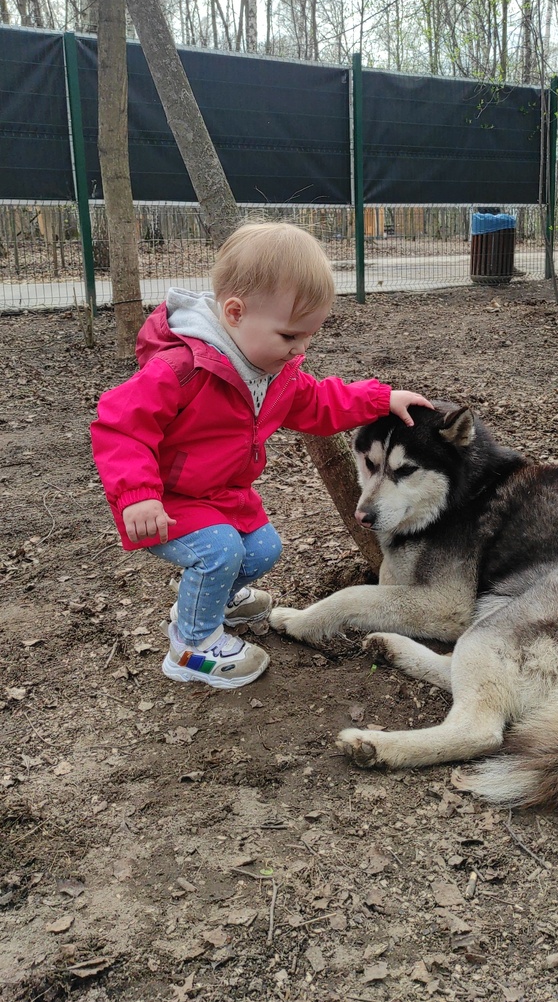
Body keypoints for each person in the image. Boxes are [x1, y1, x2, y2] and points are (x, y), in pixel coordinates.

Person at [91, 222, 432, 691]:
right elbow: (118, 425)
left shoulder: (272, 369)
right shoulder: (180, 367)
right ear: (234, 313)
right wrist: (137, 495)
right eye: (290, 336)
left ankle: (206, 602)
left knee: (264, 548)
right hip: (164, 498)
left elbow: (318, 403)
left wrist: (379, 399)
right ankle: (192, 646)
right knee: (221, 551)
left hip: (222, 494)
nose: (300, 349)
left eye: (308, 337)